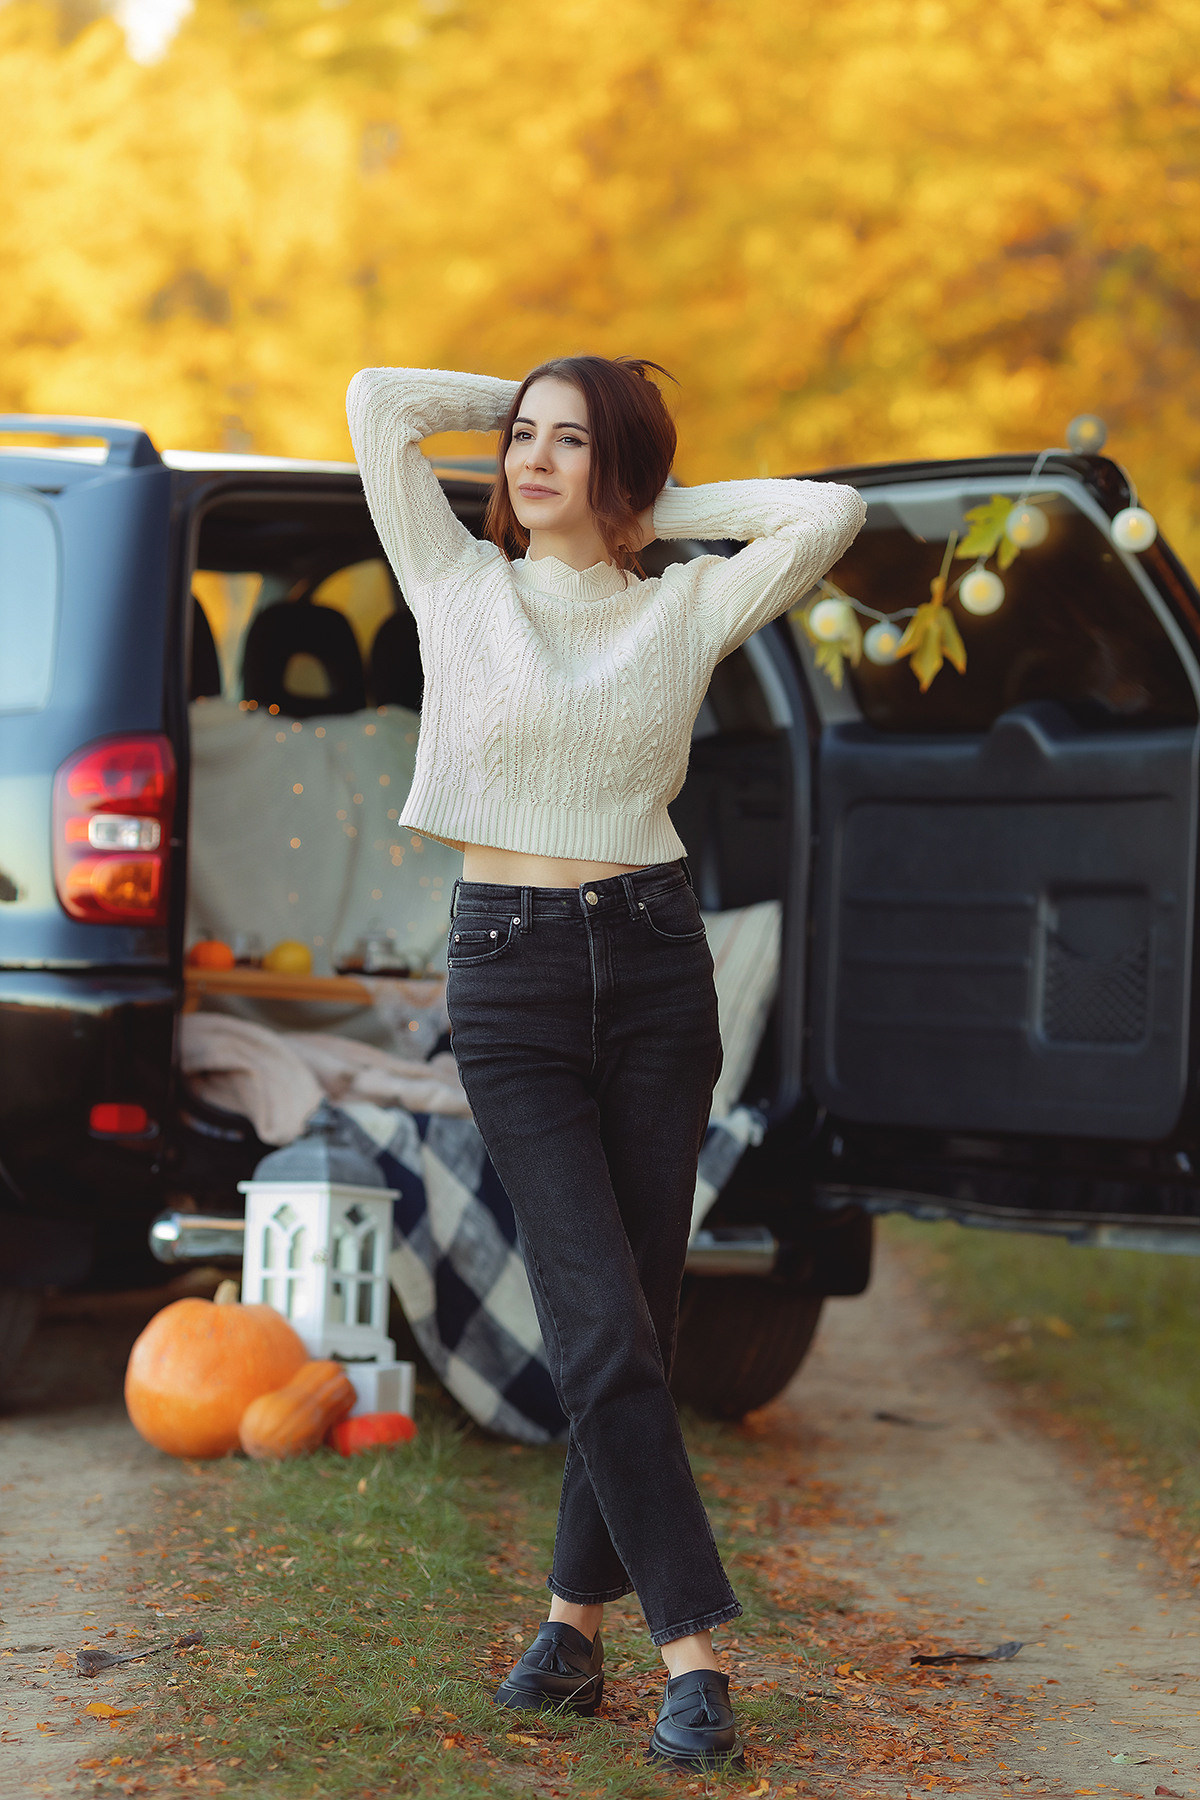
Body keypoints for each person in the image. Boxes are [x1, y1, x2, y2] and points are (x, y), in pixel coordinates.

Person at [347, 356, 865, 1767]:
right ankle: (691, 1653)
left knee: (641, 1307)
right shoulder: (455, 582)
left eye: (569, 442)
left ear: (618, 472)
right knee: (595, 1318)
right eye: (521, 434)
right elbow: (376, 401)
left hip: (651, 965)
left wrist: (656, 493)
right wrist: (535, 376)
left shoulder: (686, 603)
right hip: (509, 978)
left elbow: (825, 518)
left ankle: (573, 1633)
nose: (529, 457)